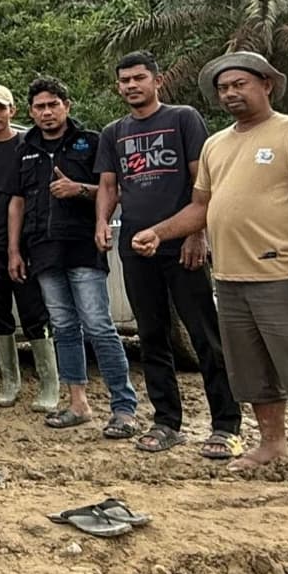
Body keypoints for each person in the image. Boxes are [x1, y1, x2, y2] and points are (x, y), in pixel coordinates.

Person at [132, 51, 288, 494]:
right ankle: (272, 444)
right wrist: (160, 231)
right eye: (223, 88)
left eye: (239, 84)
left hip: (280, 275)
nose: (230, 93)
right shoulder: (217, 144)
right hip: (229, 279)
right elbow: (202, 208)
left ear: (267, 84)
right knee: (251, 373)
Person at [96, 51, 241, 456]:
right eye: (124, 80)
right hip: (135, 248)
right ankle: (166, 422)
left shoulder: (183, 119)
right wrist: (101, 222)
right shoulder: (114, 133)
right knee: (152, 336)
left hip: (182, 246)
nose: (131, 86)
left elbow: (203, 184)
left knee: (204, 335)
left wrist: (199, 234)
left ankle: (226, 425)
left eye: (139, 78)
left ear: (156, 81)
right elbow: (109, 185)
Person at [8, 76, 138, 436]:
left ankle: (124, 408)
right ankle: (78, 404)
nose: (46, 112)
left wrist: (78, 188)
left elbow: (115, 191)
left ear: (67, 105)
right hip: (43, 251)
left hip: (83, 248)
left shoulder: (93, 142)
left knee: (99, 327)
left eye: (53, 104)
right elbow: (17, 202)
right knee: (64, 328)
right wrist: (14, 250)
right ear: (30, 111)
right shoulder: (25, 147)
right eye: (39, 106)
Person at [0, 84, 58, 410]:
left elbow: (24, 197)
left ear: (13, 111)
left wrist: (15, 248)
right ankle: (10, 381)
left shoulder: (27, 145)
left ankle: (49, 384)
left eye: (0, 109)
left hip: (24, 243)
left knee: (34, 311)